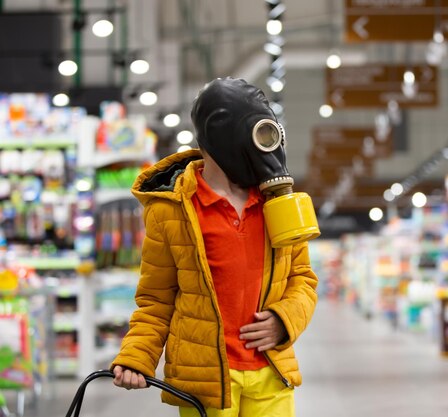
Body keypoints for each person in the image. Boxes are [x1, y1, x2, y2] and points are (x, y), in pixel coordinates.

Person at [110, 77, 319, 417]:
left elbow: (303, 279)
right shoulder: (171, 210)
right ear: (221, 135)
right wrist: (137, 356)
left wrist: (284, 321)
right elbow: (156, 298)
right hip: (205, 385)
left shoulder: (276, 204)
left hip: (271, 373)